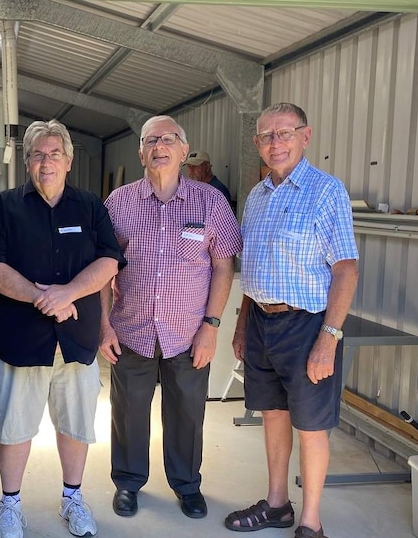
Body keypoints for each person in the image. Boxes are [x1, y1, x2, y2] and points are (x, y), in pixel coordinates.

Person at [0, 119, 125, 538]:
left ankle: (73, 498)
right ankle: (9, 506)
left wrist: (69, 293)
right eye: (38, 154)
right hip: (21, 340)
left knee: (76, 424)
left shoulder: (91, 206)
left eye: (54, 154)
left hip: (77, 339)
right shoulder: (4, 206)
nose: (47, 162)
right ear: (27, 161)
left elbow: (109, 261)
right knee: (14, 426)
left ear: (69, 160)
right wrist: (45, 299)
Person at [223, 103, 358, 538]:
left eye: (284, 133)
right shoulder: (258, 197)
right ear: (258, 144)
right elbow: (253, 269)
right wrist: (243, 325)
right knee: (273, 415)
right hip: (262, 322)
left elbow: (345, 270)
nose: (275, 143)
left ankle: (310, 522)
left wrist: (329, 339)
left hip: (308, 326)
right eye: (265, 136)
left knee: (311, 426)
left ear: (306, 136)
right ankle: (277, 503)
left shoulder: (326, 191)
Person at [100, 115, 242, 520]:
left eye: (168, 139)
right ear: (141, 152)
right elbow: (103, 268)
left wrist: (211, 327)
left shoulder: (210, 203)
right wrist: (103, 325)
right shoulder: (119, 202)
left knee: (187, 414)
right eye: (150, 140)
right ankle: (127, 483)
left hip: (188, 332)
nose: (159, 146)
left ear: (183, 149)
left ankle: (187, 485)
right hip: (131, 330)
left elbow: (222, 266)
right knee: (128, 413)